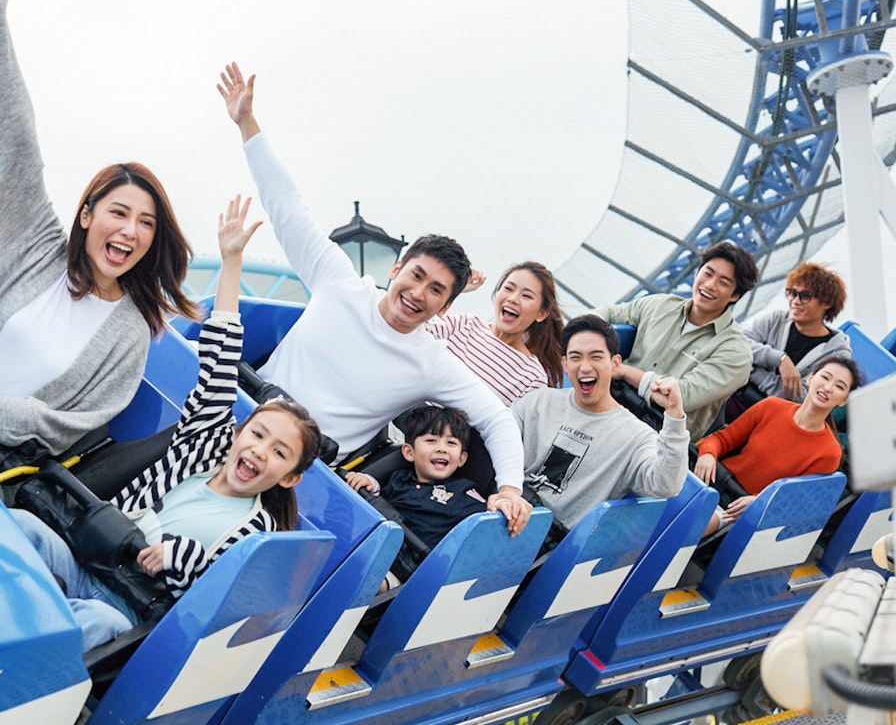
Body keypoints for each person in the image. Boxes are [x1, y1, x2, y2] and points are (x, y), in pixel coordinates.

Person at [217, 62, 531, 534]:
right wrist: (247, 123)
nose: (417, 294)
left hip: (303, 476)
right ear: (397, 268)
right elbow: (286, 205)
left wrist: (509, 488)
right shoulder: (339, 281)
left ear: (445, 307)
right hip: (245, 422)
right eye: (416, 275)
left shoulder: (431, 363)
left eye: (436, 291)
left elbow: (497, 420)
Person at [12, 195, 323, 653]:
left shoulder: (256, 534)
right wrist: (231, 261)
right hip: (87, 560)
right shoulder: (201, 446)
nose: (259, 451)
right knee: (22, 526)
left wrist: (183, 556)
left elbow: (220, 595)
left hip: (126, 609)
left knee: (94, 621)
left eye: (279, 453)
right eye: (258, 434)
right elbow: (220, 358)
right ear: (237, 433)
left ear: (291, 476)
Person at [0, 0, 196, 473]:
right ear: (87, 214)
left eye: (146, 223)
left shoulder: (130, 334)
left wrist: (1, 415)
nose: (130, 231)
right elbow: (12, 142)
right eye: (119, 212)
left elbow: (73, 422)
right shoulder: (30, 243)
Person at [513, 315, 689, 532]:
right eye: (576, 357)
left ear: (615, 363)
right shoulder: (538, 401)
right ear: (565, 364)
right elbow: (496, 446)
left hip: (549, 540)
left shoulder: (637, 437)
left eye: (596, 357)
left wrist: (674, 415)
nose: (585, 367)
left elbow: (666, 485)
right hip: (503, 508)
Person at [590, 241, 759, 440]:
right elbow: (609, 313)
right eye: (707, 273)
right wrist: (581, 333)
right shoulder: (661, 305)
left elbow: (682, 396)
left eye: (723, 282)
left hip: (655, 435)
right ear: (696, 274)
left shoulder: (736, 352)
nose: (710, 285)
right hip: (609, 403)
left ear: (735, 295)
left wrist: (625, 372)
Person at [693, 355, 859, 528]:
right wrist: (708, 454)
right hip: (710, 482)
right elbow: (721, 439)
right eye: (825, 377)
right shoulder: (771, 406)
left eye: (839, 387)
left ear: (843, 401)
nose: (828, 387)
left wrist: (759, 501)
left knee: (692, 524)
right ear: (810, 379)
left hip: (735, 512)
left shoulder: (830, 452)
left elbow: (791, 499)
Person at [345, 405, 485, 549]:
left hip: (429, 563)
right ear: (409, 452)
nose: (441, 449)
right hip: (384, 550)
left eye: (451, 443)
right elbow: (379, 504)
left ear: (462, 458)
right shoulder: (398, 481)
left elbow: (489, 522)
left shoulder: (463, 490)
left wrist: (502, 505)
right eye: (431, 440)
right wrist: (369, 483)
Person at [426, 261, 565, 404]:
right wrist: (454, 289)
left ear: (541, 314)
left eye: (526, 296)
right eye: (509, 288)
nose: (513, 299)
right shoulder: (466, 324)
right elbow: (410, 327)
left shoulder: (532, 378)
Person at [741, 262, 851, 402]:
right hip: (739, 395)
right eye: (792, 293)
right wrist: (780, 359)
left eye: (805, 296)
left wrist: (750, 370)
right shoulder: (776, 319)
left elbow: (803, 397)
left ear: (827, 303)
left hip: (778, 416)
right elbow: (736, 342)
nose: (795, 301)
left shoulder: (837, 352)